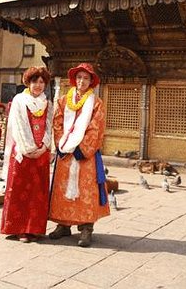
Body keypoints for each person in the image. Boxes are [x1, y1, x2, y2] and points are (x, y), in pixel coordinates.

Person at [48, 63, 109, 247]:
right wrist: (61, 144)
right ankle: (63, 224)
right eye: (79, 77)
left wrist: (81, 148)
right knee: (62, 188)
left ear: (91, 82)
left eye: (86, 78)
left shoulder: (96, 104)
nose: (82, 81)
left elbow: (96, 128)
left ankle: (86, 228)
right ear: (75, 80)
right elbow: (57, 122)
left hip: (85, 156)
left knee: (85, 191)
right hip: (65, 153)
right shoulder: (64, 101)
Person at [1, 67, 53, 243]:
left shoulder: (48, 103)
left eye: (41, 82)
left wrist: (44, 146)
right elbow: (19, 126)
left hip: (41, 154)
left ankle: (34, 228)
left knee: (37, 192)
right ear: (28, 83)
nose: (38, 85)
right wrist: (29, 149)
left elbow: (49, 126)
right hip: (23, 153)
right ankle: (19, 228)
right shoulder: (20, 100)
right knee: (19, 190)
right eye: (34, 82)